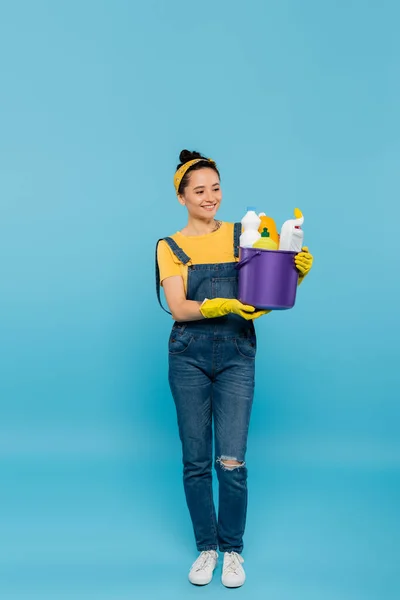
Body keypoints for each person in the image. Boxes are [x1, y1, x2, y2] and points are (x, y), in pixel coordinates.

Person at [155, 150, 313, 588]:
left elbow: (266, 291)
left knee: (232, 460)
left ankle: (233, 550)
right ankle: (207, 548)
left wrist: (294, 271)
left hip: (237, 354)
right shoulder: (170, 246)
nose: (210, 198)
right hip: (187, 354)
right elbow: (179, 306)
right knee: (195, 461)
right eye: (200, 191)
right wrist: (220, 304)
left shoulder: (242, 234)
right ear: (182, 197)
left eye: (216, 188)